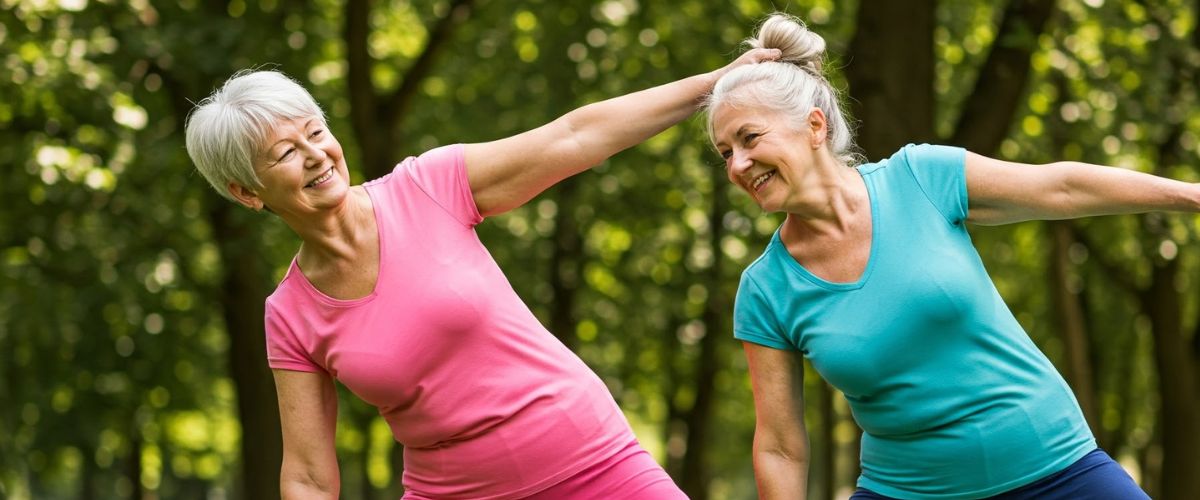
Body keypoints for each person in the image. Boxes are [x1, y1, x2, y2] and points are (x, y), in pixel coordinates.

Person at [184, 48, 778, 499]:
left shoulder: (428, 186)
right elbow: (310, 477)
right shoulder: (289, 314)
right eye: (286, 153)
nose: (316, 154)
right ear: (247, 191)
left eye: (316, 131)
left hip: (594, 462)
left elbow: (576, 136)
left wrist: (715, 84)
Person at [704, 12, 1187, 500]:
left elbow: (1061, 187)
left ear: (813, 125)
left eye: (750, 138)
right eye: (725, 153)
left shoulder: (921, 178)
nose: (738, 165)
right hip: (908, 490)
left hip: (1057, 470)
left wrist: (1191, 195)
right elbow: (780, 447)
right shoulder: (766, 288)